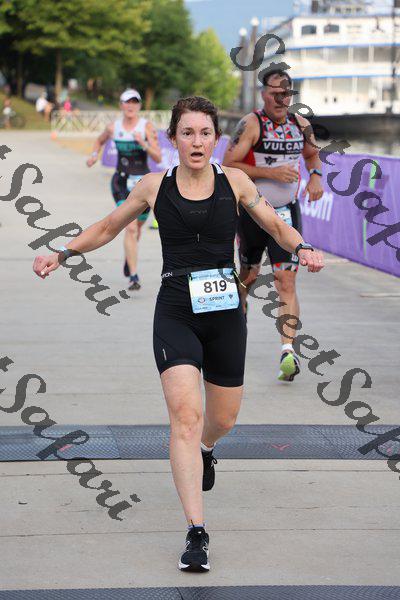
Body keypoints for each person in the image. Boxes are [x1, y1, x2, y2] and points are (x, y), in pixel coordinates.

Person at [33, 96, 324, 572]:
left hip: (225, 313)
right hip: (175, 312)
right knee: (185, 418)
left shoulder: (236, 181)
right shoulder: (154, 186)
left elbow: (275, 223)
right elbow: (107, 227)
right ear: (173, 138)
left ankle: (208, 449)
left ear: (216, 139)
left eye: (205, 133)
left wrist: (303, 246)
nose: (196, 141)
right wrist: (62, 253)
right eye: (187, 133)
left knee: (222, 419)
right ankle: (196, 531)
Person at [223, 69, 324, 382]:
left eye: (287, 93)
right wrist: (271, 173)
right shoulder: (252, 124)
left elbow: (312, 156)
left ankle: (288, 351)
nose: (281, 100)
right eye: (275, 93)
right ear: (263, 94)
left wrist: (316, 177)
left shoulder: (300, 125)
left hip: (286, 213)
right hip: (253, 213)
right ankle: (237, 320)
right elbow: (228, 165)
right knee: (249, 275)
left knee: (286, 280)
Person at [86, 88, 162, 290]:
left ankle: (130, 257)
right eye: (127, 102)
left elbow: (158, 157)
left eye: (135, 102)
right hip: (121, 182)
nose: (131, 106)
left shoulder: (146, 127)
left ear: (139, 105)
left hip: (143, 184)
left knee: (137, 228)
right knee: (130, 227)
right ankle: (134, 277)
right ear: (121, 105)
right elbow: (99, 140)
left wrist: (143, 143)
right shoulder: (114, 127)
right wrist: (93, 155)